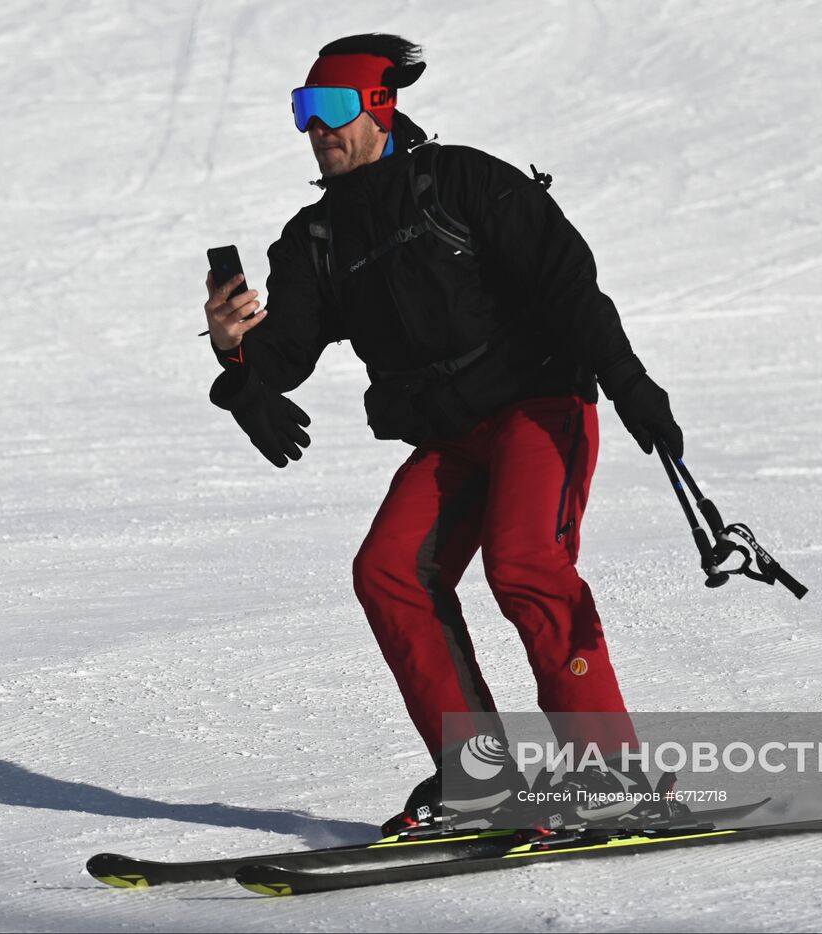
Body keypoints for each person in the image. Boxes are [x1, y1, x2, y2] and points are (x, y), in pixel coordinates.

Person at [202, 34, 684, 832]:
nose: (316, 130)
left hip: (539, 406)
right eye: (301, 111)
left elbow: (566, 282)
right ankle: (478, 781)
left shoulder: (463, 182)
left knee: (525, 563)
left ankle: (614, 774)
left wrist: (629, 383)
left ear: (380, 106)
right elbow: (281, 354)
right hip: (454, 438)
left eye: (329, 110)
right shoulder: (315, 240)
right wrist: (234, 355)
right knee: (388, 570)